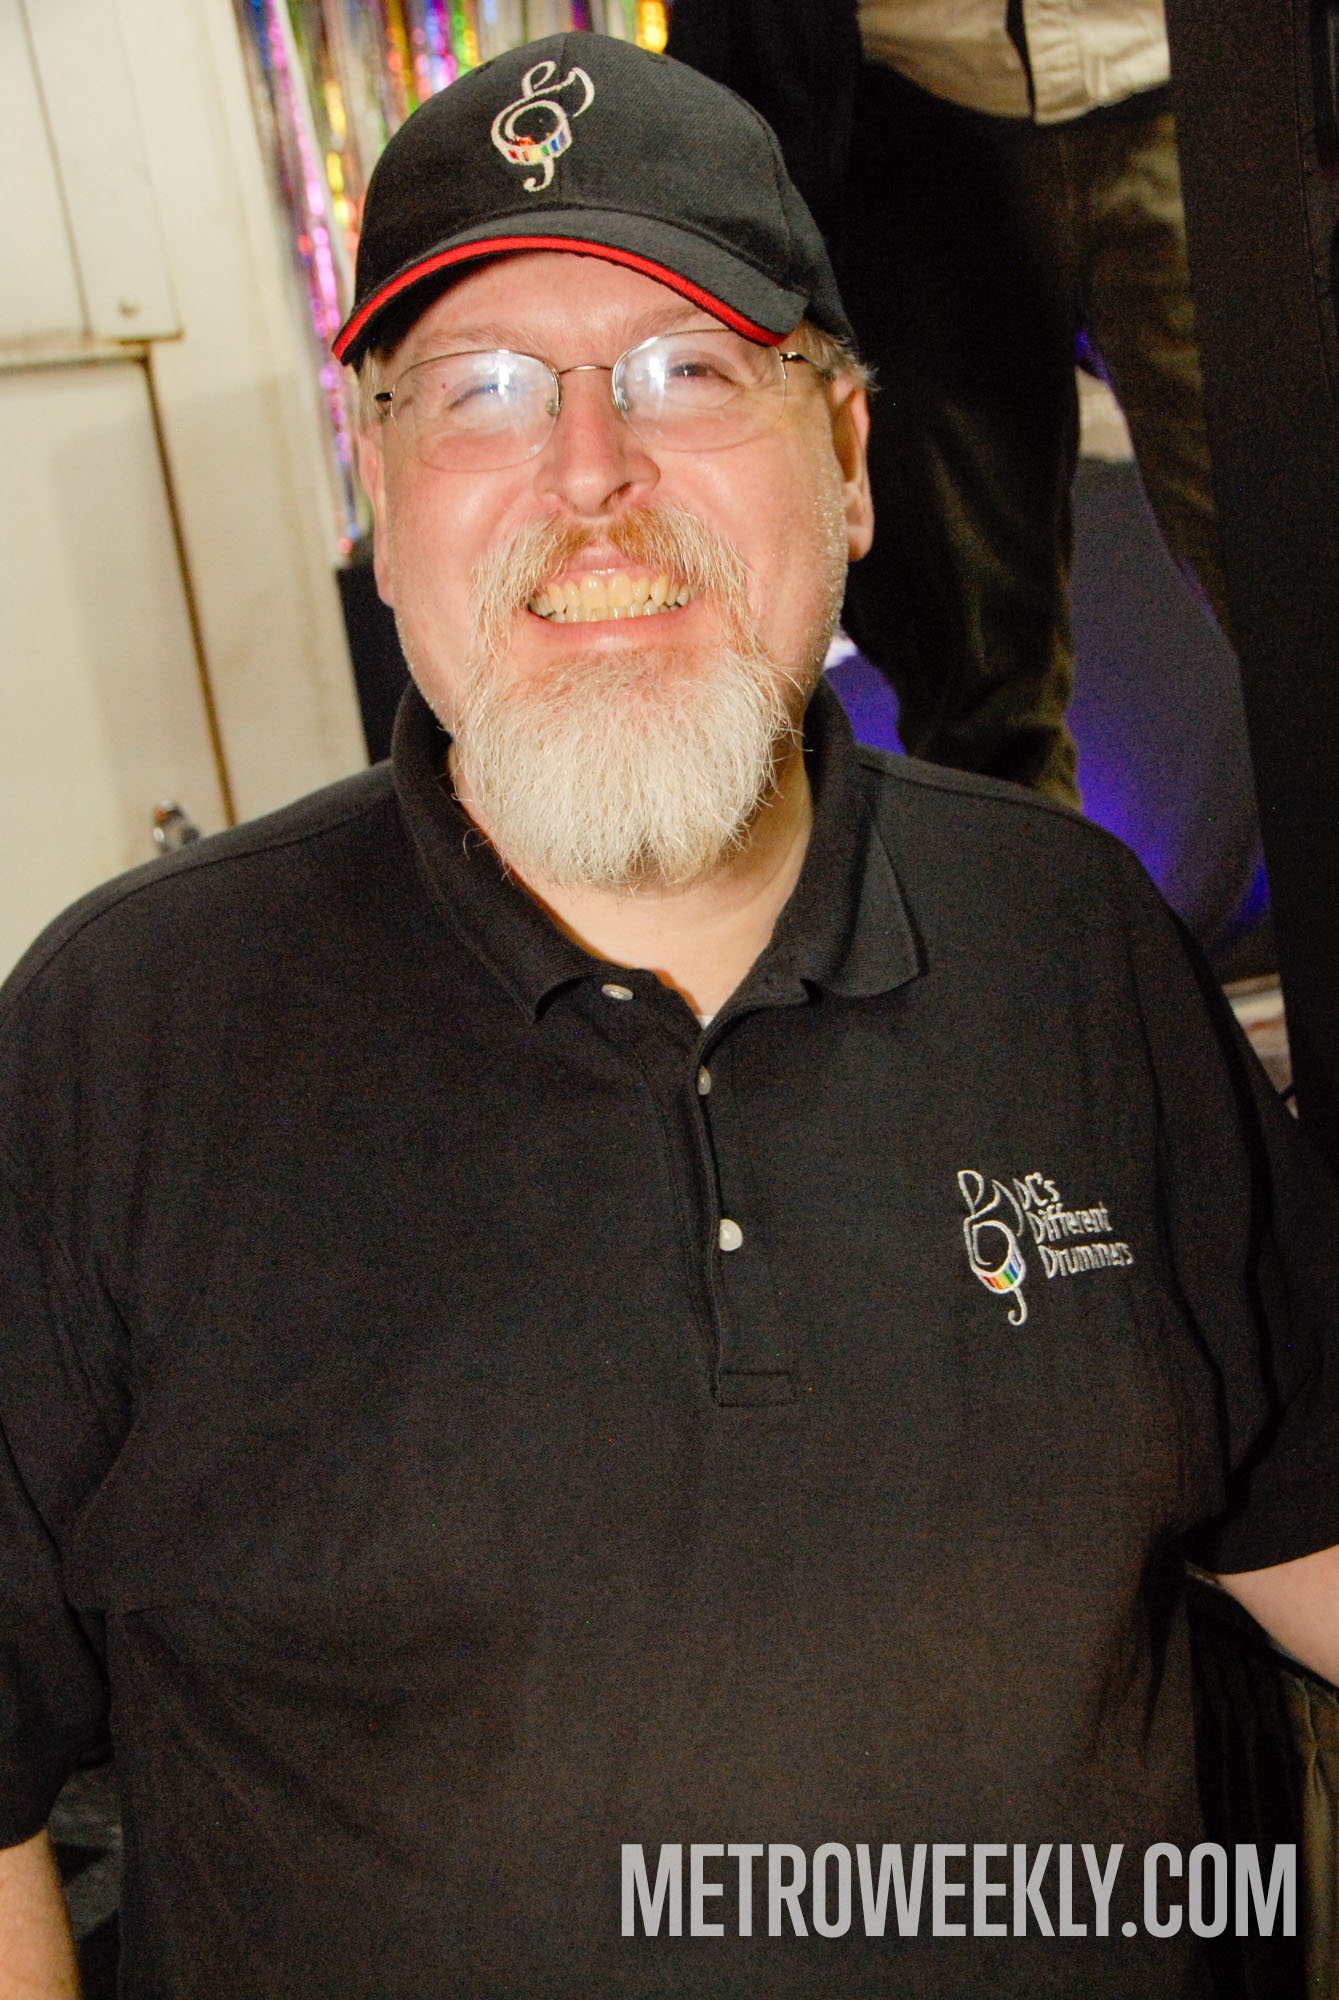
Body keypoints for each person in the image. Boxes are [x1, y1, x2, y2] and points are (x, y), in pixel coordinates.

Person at [0, 32, 1336, 1999]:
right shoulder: (124, 1036)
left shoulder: (1075, 939)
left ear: (850, 461)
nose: (589, 476)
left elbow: (1296, 1508)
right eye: (481, 390)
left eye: (684, 371)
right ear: (379, 487)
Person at [667, 0, 1230, 809]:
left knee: (1305, 585)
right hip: (900, 110)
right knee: (980, 702)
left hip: (1201, 80)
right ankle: (1035, 889)